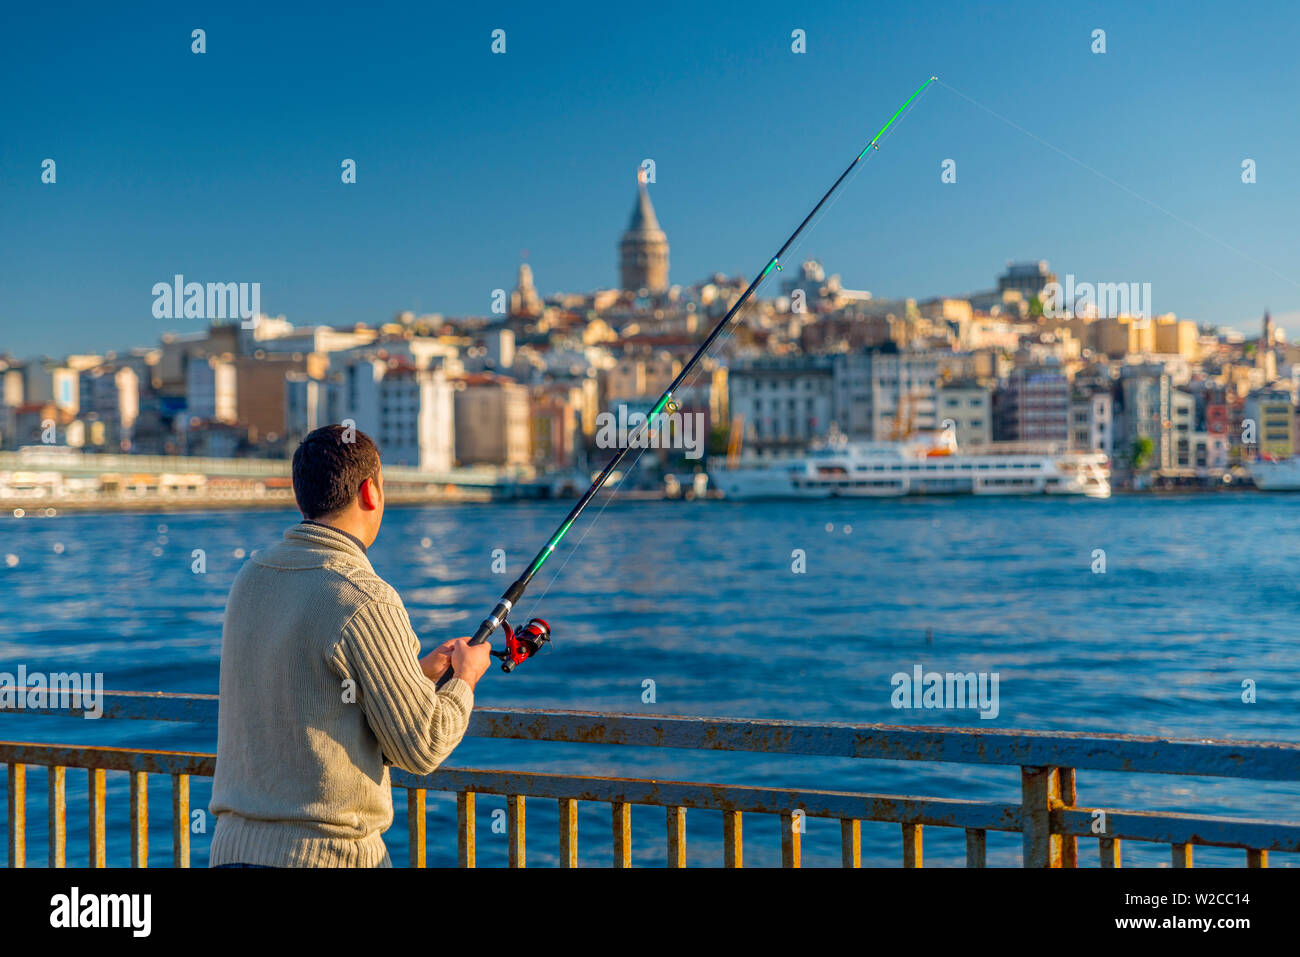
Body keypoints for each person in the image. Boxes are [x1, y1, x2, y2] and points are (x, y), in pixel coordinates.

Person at [208, 424, 491, 867]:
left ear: (304, 496)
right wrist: (466, 678)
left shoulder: (252, 576)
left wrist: (412, 678)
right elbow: (423, 744)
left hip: (232, 851)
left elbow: (308, 691)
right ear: (370, 492)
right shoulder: (364, 595)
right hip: (324, 856)